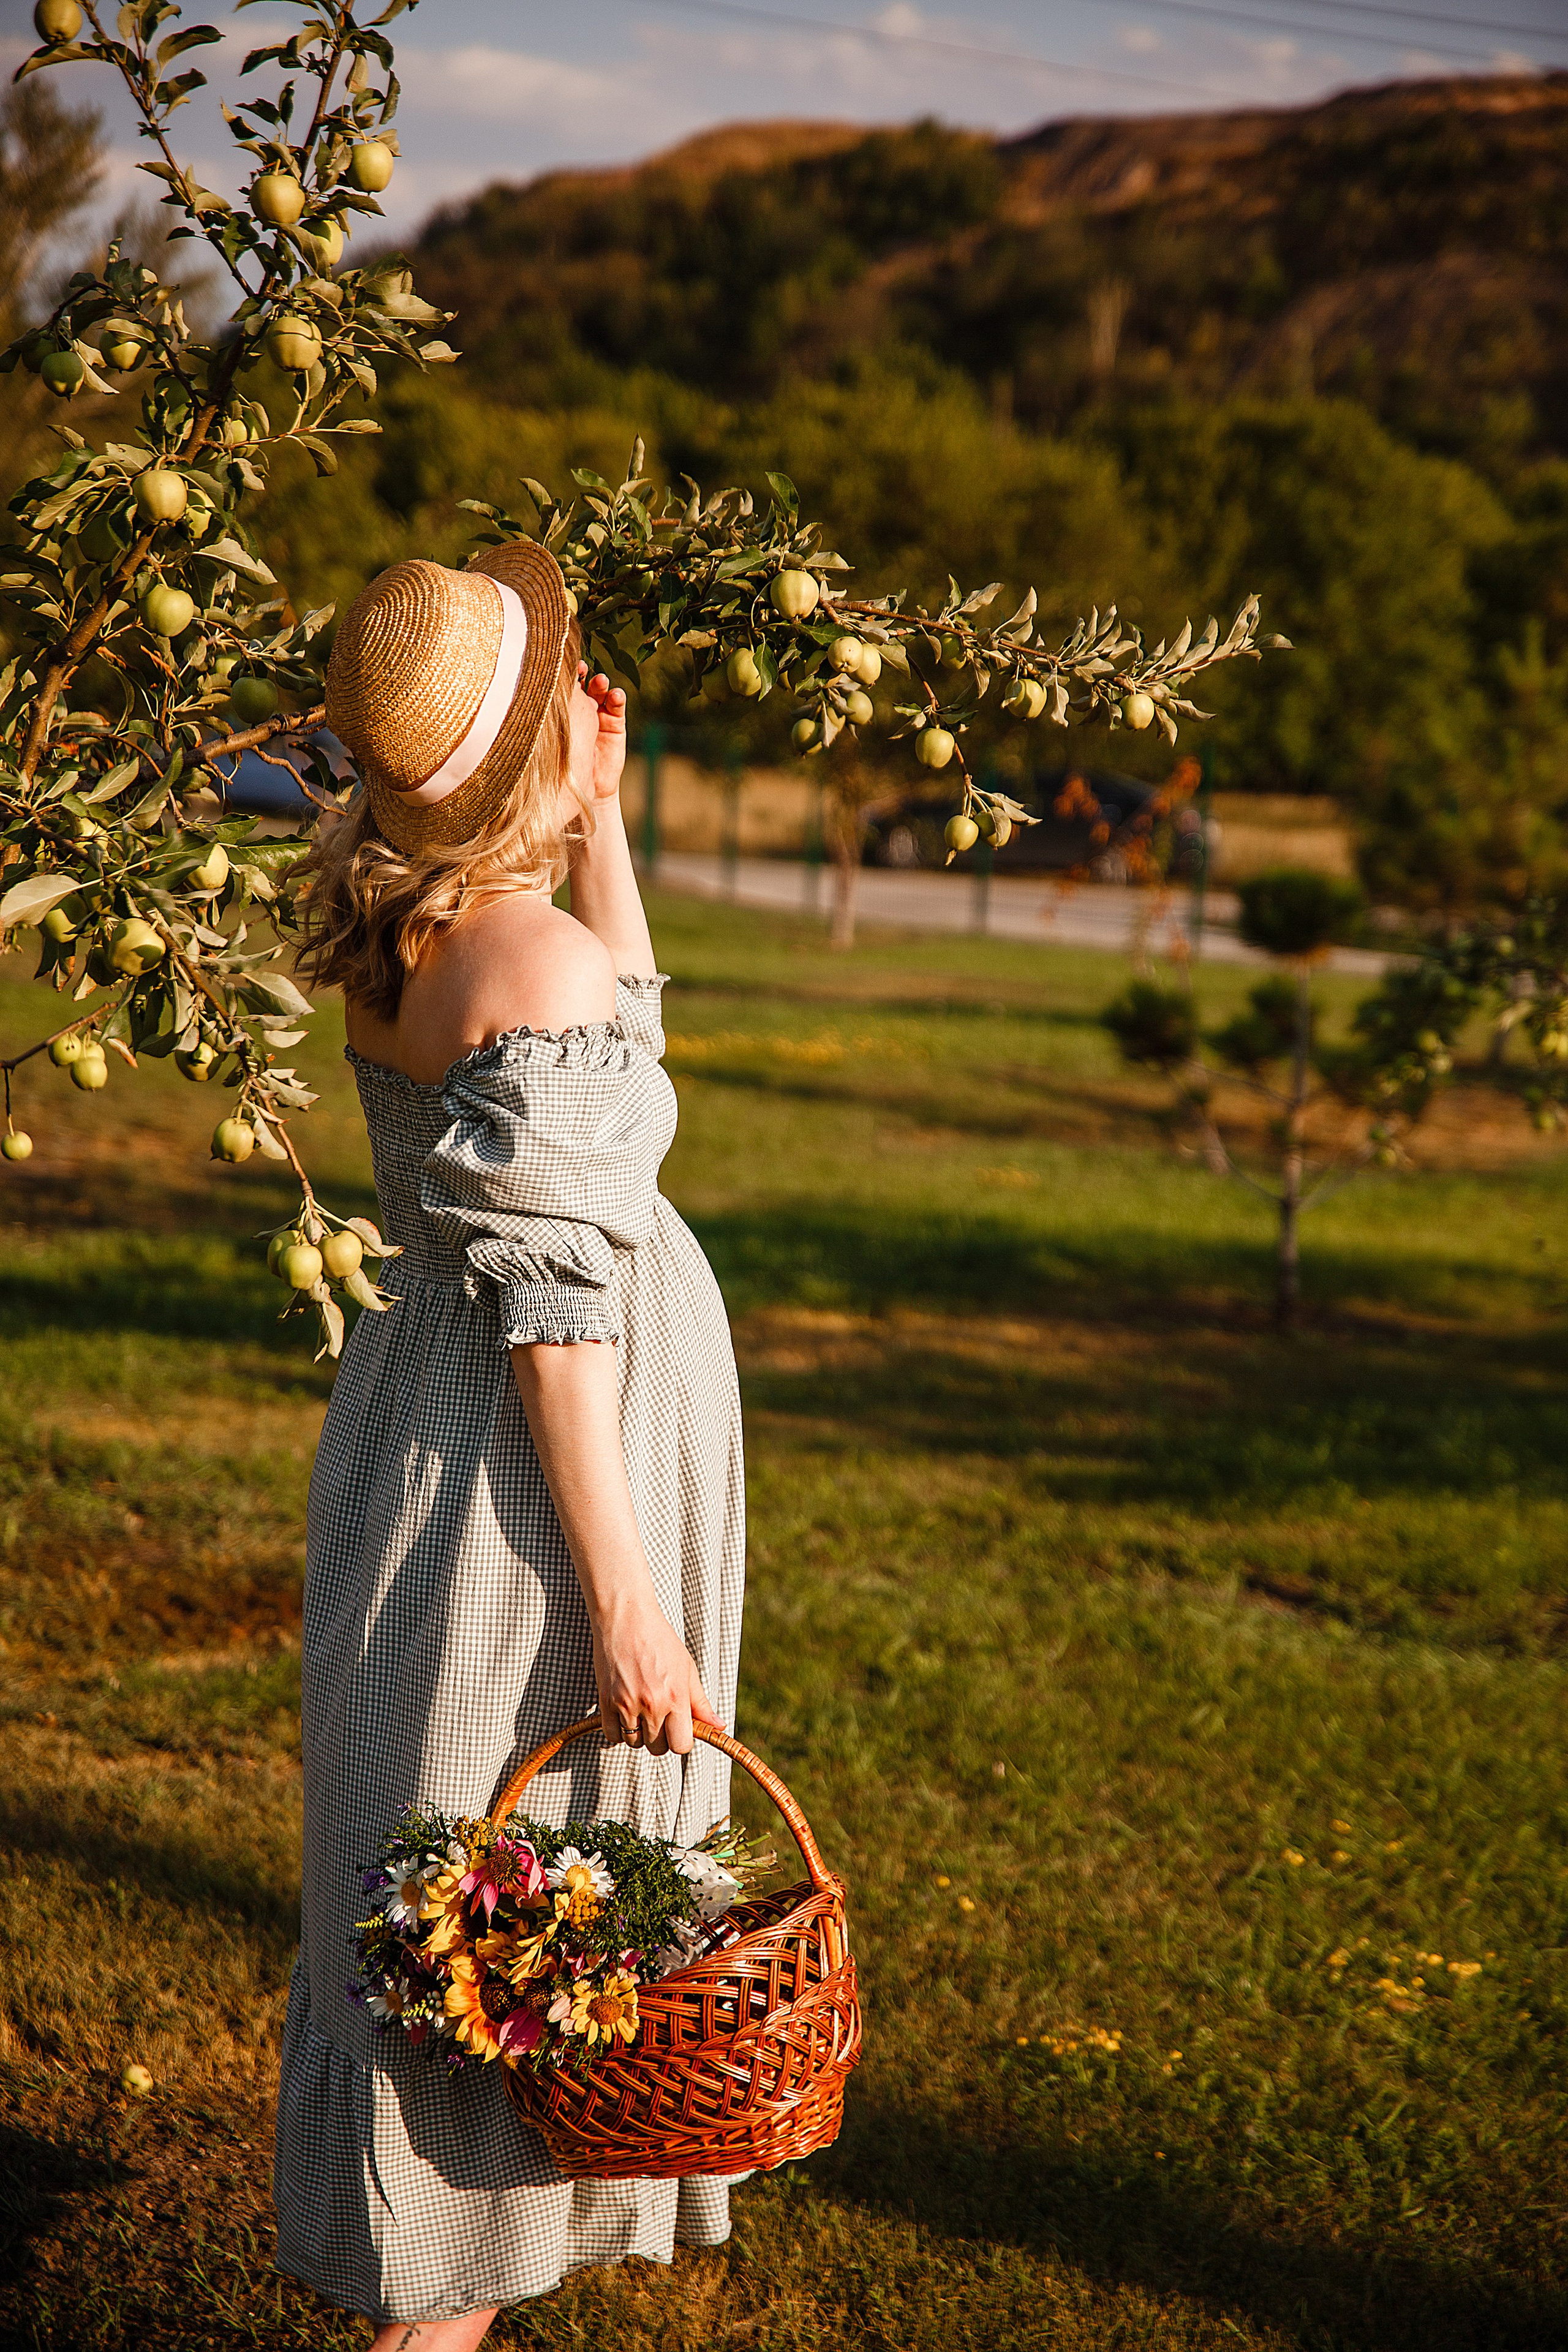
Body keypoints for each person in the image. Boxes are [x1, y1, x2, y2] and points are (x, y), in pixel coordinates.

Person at [274, 541, 746, 2349]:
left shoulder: (431, 935)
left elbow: (610, 1059)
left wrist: (598, 820)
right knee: (504, 1904)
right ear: (530, 733)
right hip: (530, 1507)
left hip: (425, 1448)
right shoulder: (520, 953)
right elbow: (562, 1327)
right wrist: (629, 1606)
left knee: (469, 1902)